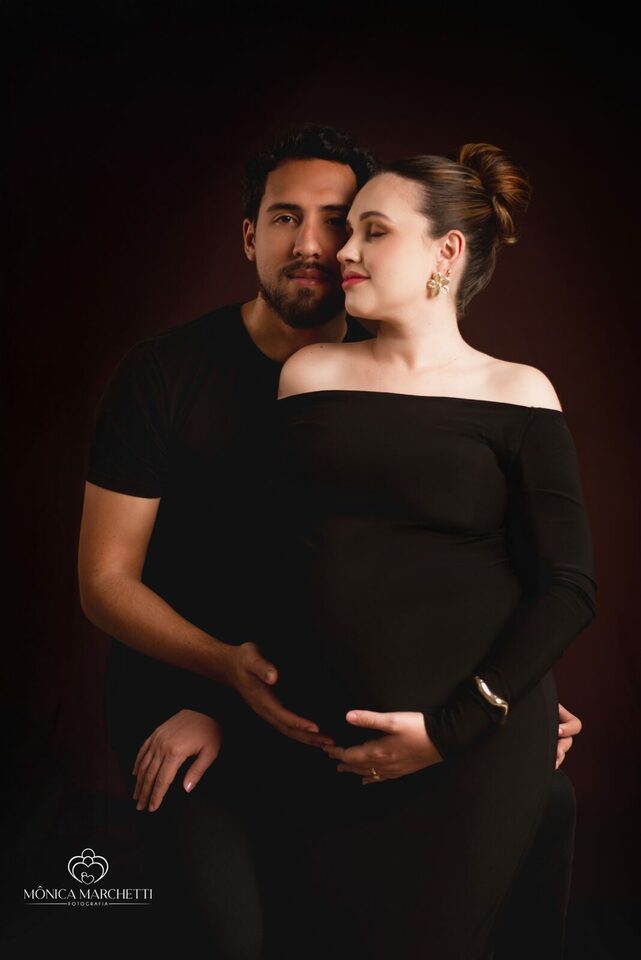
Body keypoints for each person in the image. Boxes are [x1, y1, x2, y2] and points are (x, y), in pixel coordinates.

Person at [77, 124, 586, 958]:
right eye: (287, 218)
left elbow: (534, 575)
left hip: (418, 717)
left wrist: (502, 698)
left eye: (353, 226)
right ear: (249, 235)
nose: (326, 247)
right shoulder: (206, 375)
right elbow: (242, 567)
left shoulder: (491, 388)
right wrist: (223, 687)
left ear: (442, 254)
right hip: (231, 696)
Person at [268, 142, 597, 959]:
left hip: (471, 757)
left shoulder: (517, 392)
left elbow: (566, 585)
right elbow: (270, 555)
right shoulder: (308, 375)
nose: (342, 251)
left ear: (446, 252)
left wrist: (460, 726)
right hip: (324, 751)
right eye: (348, 231)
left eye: (372, 231)